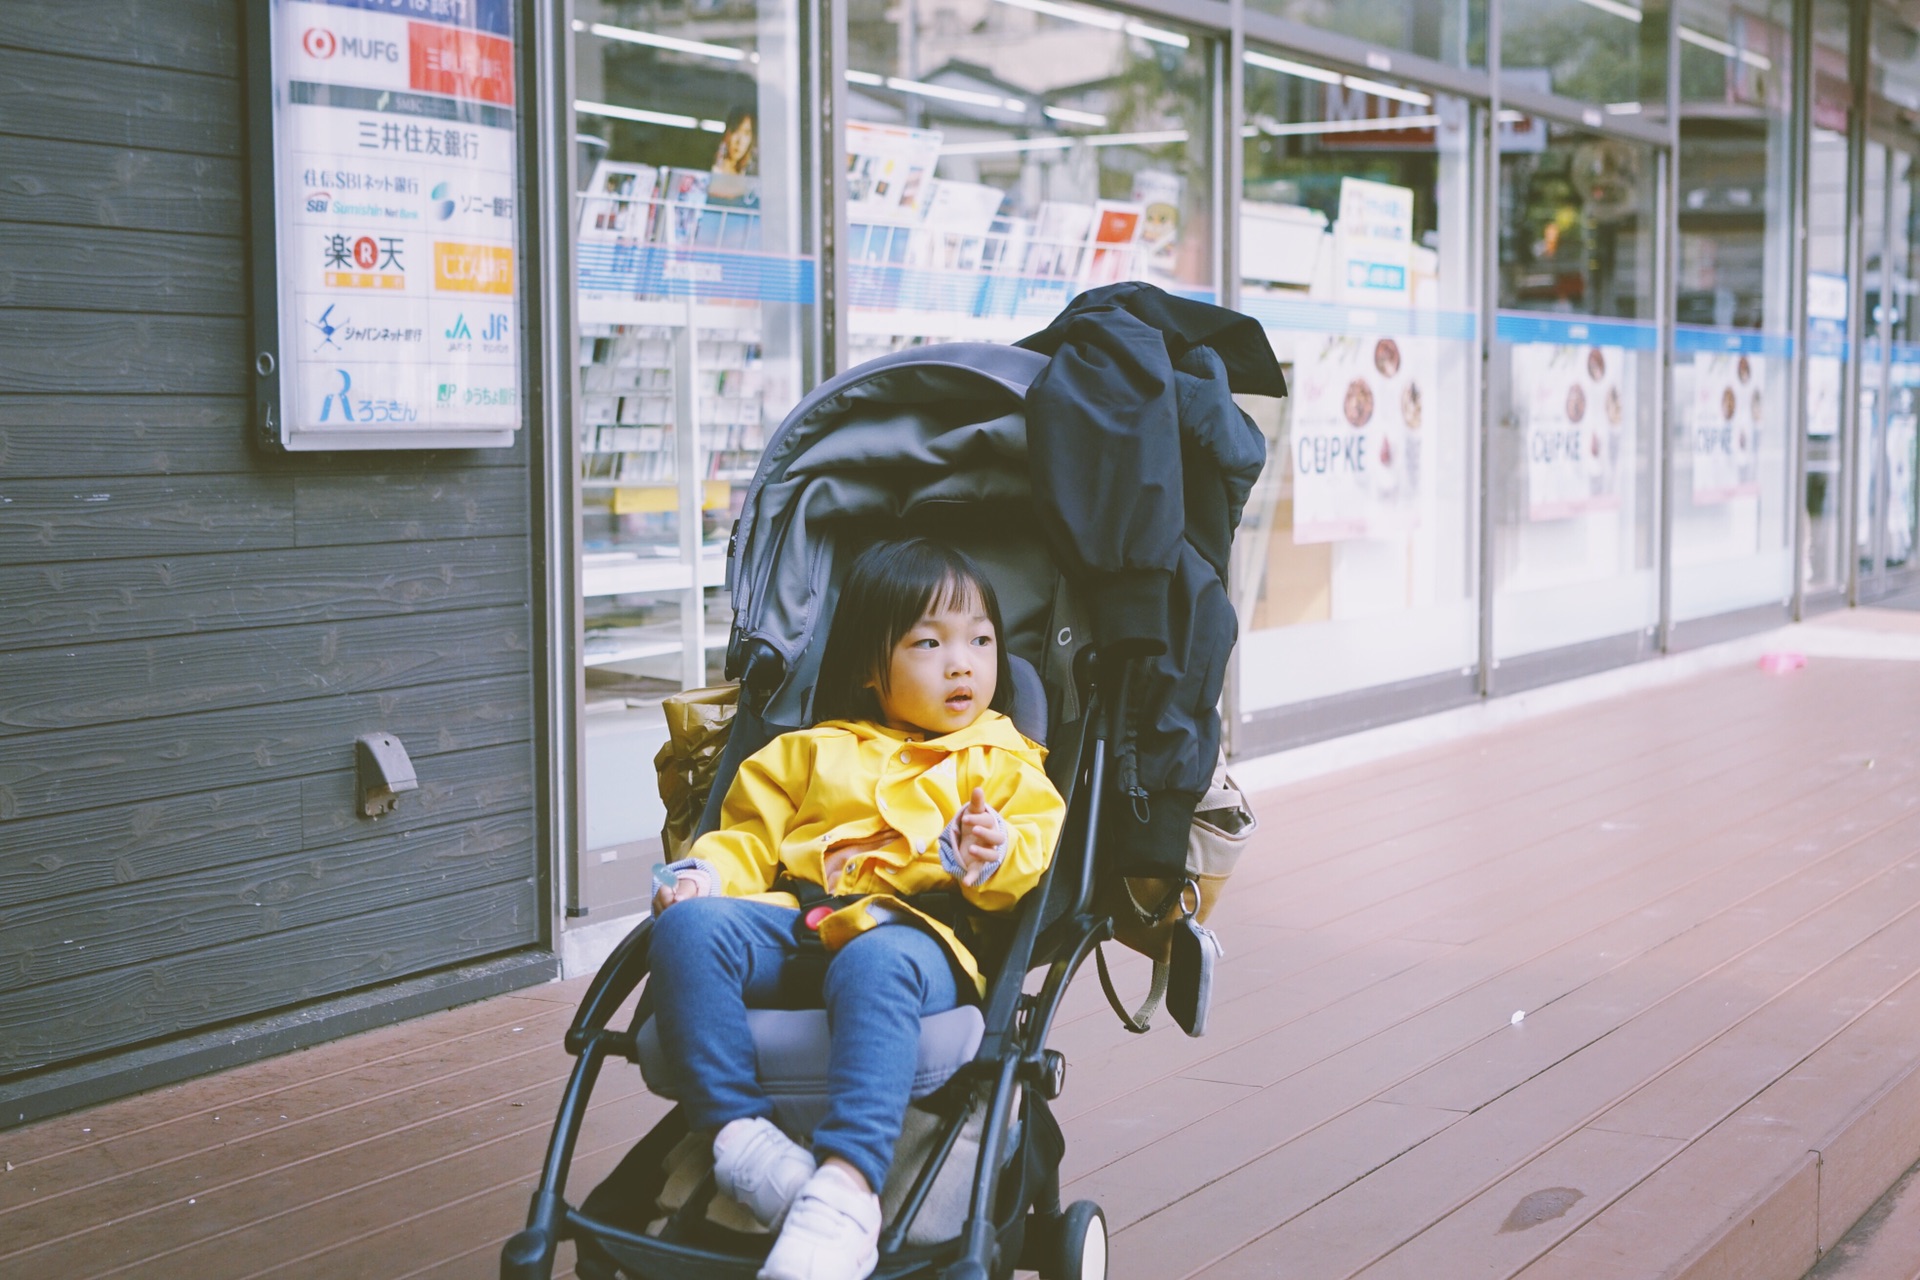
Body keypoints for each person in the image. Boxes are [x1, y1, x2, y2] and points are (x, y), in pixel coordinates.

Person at [648, 538, 1065, 1280]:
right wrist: (701, 879)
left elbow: (1034, 843)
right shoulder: (812, 751)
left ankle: (847, 1186)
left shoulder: (1003, 761)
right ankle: (743, 1140)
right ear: (873, 669)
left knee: (877, 957)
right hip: (796, 924)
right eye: (929, 643)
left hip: (917, 938)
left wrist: (990, 851)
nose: (962, 662)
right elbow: (744, 839)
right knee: (685, 928)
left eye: (980, 640)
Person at [712, 104, 758, 176]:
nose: (740, 141)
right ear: (727, 133)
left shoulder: (749, 175)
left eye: (746, 133)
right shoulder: (713, 168)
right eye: (736, 131)